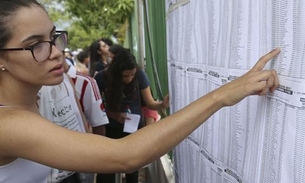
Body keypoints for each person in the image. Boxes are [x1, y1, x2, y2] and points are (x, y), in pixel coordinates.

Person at [0, 1, 280, 183]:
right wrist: (221, 95)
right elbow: (126, 155)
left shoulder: (29, 102)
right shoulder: (10, 123)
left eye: (54, 37)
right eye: (35, 44)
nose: (56, 52)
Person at [94, 48, 170, 183]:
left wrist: (162, 105)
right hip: (110, 130)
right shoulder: (101, 77)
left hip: (133, 130)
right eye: (125, 76)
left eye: (132, 75)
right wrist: (113, 114)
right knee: (107, 172)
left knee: (132, 171)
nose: (129, 79)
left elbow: (150, 103)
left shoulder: (140, 75)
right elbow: (94, 108)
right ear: (116, 73)